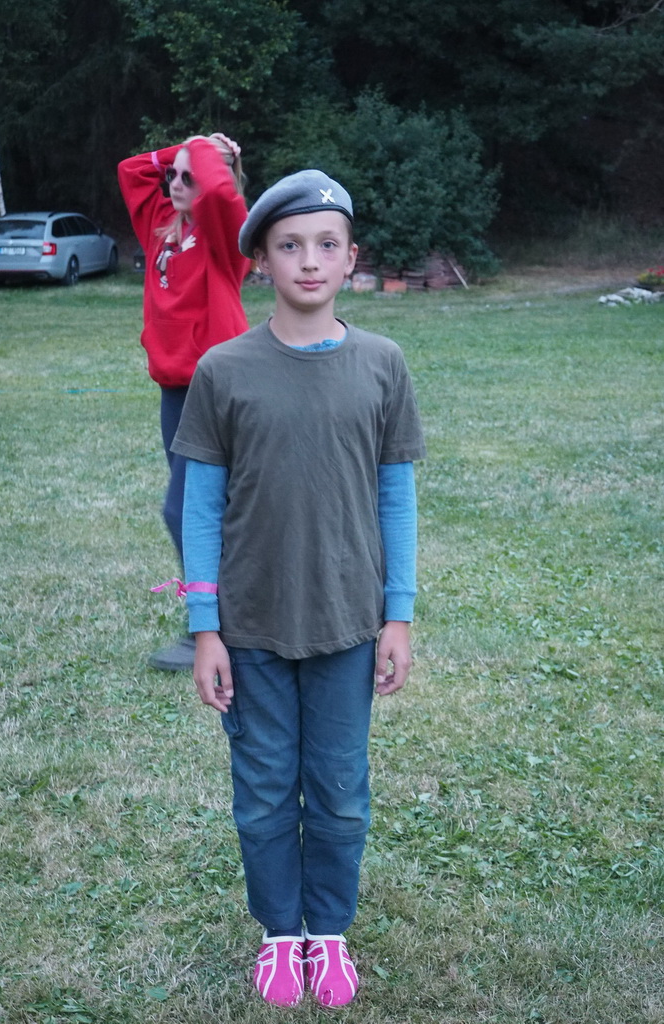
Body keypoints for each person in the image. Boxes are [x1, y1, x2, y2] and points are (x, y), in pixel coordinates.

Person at [172, 170, 427, 1007]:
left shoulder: (382, 365)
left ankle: (329, 930)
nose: (308, 261)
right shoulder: (223, 370)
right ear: (260, 261)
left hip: (348, 624)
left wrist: (397, 615)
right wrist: (204, 625)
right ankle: (281, 934)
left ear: (351, 258)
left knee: (341, 795)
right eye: (289, 245)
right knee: (263, 794)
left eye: (326, 245)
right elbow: (200, 507)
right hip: (250, 627)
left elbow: (395, 497)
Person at [118, 132, 250, 671]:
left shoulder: (227, 238)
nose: (174, 182)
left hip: (215, 389)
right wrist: (184, 152)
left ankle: (215, 624)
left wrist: (203, 149)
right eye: (172, 173)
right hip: (175, 391)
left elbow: (218, 194)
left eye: (187, 176)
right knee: (207, 508)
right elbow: (131, 171)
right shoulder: (161, 228)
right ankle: (225, 615)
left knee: (187, 509)